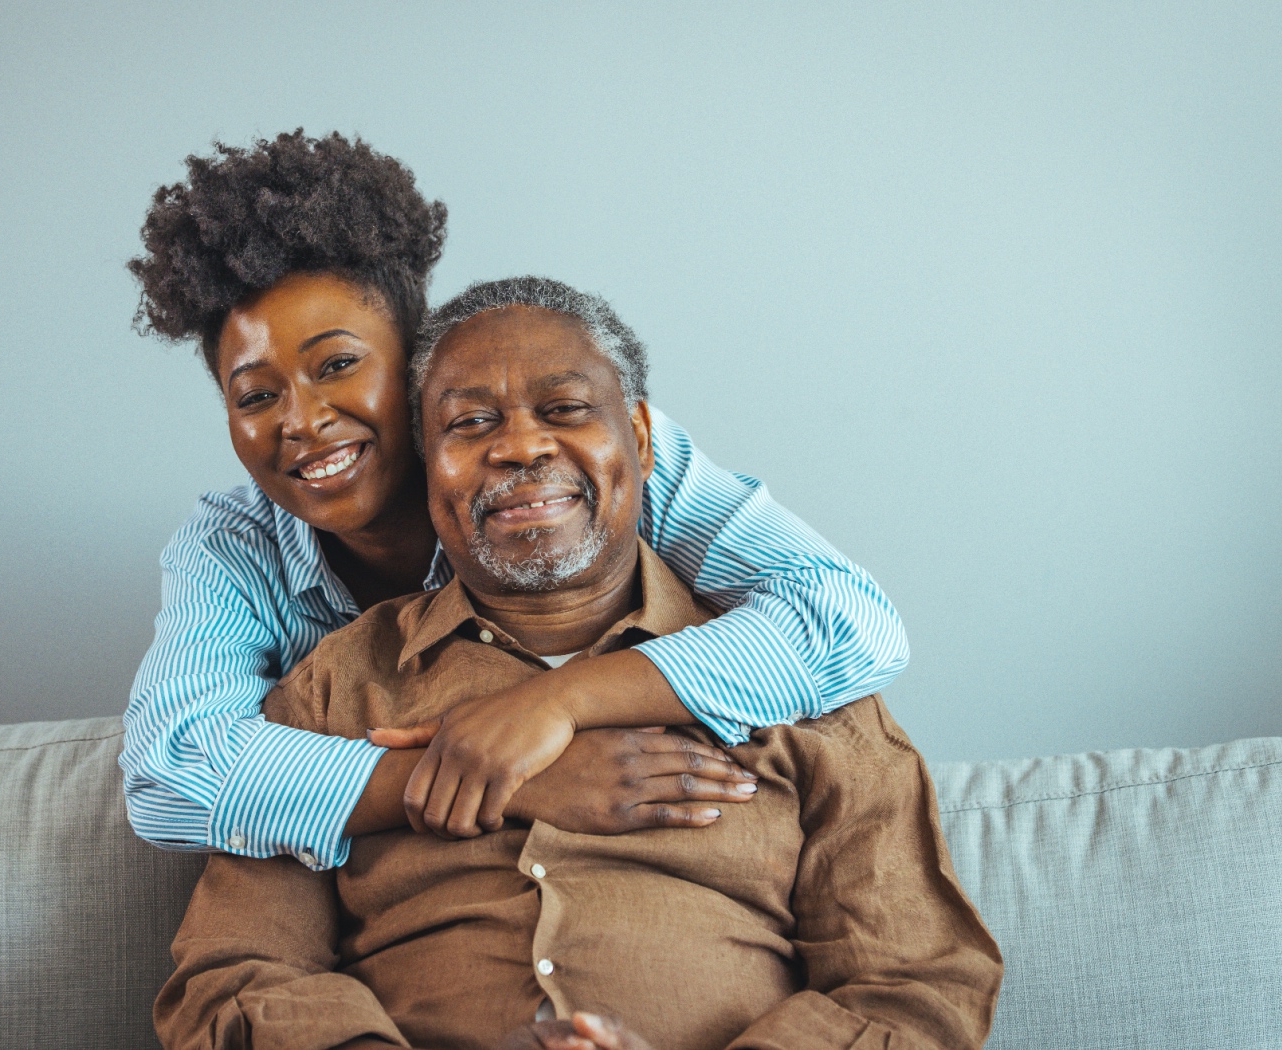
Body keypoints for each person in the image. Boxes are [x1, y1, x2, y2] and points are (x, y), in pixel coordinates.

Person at [154, 277, 1002, 1050]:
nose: (521, 446)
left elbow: (913, 989)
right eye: (470, 423)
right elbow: (235, 975)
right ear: (424, 460)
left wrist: (558, 704)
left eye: (564, 409)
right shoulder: (328, 696)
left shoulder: (810, 688)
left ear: (642, 437)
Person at [122, 131, 910, 870]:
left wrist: (560, 704)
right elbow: (167, 776)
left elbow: (848, 621)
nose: (301, 421)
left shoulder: (590, 458)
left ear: (421, 365)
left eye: (337, 366)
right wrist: (509, 776)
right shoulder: (235, 546)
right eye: (256, 395)